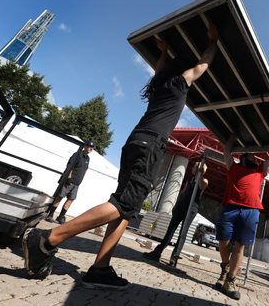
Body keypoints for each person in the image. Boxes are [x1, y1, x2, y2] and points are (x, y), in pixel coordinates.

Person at [21, 24, 218, 289]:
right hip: (150, 147)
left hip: (135, 142)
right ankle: (47, 238)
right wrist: (213, 40)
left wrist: (163, 52)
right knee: (123, 204)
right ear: (182, 70)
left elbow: (159, 70)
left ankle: (100, 268)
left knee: (125, 209)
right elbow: (203, 65)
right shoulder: (180, 84)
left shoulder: (161, 85)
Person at [215, 135, 269, 300]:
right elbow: (227, 152)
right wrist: (233, 138)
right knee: (223, 241)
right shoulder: (233, 167)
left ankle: (230, 280)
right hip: (230, 208)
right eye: (251, 155)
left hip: (251, 211)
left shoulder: (260, 171)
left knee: (240, 247)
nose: (254, 158)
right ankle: (225, 266)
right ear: (242, 157)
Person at [142, 161, 208, 263]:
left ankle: (174, 256)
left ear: (199, 169)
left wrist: (200, 174)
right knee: (170, 229)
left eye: (194, 167)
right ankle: (157, 252)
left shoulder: (204, 181)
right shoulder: (189, 180)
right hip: (181, 207)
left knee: (183, 233)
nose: (191, 169)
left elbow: (202, 186)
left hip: (191, 209)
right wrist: (176, 205)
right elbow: (183, 193)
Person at [45, 140, 94, 224]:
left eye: (92, 147)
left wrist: (81, 180)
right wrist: (69, 177)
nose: (91, 149)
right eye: (90, 146)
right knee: (60, 197)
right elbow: (70, 166)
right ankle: (50, 214)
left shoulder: (88, 158)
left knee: (71, 199)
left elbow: (85, 169)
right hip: (69, 181)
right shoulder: (77, 154)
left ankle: (60, 217)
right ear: (85, 146)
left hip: (77, 183)